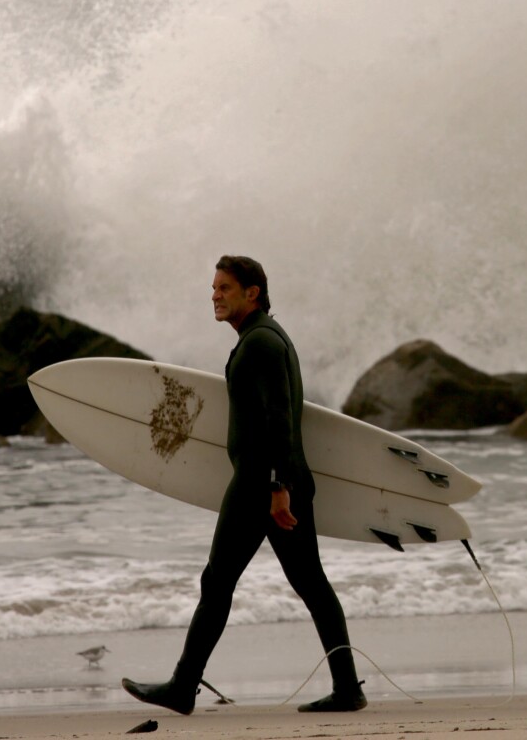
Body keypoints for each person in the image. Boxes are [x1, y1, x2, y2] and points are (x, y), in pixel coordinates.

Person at [122, 255, 365, 715]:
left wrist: (277, 488)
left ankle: (182, 686)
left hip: (261, 486)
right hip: (273, 482)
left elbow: (279, 418)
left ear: (252, 293)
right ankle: (347, 687)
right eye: (213, 288)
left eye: (225, 288)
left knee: (219, 582)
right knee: (308, 583)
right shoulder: (265, 338)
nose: (215, 295)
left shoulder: (261, 345)